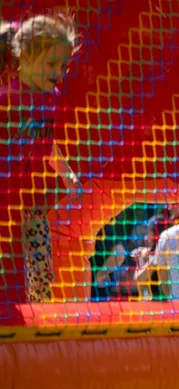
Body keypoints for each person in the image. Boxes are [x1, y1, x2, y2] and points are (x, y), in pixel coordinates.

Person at [0, 15, 82, 304]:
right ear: (26, 57)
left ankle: (40, 326)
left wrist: (66, 173)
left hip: (30, 202)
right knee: (10, 271)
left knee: (41, 270)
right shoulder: (7, 99)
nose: (58, 72)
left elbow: (46, 144)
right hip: (5, 203)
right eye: (51, 64)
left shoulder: (52, 98)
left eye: (63, 65)